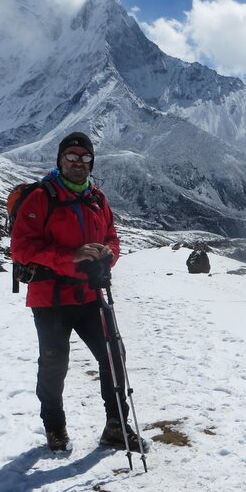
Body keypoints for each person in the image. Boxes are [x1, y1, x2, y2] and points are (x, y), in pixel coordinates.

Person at [10, 131, 147, 453]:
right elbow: (22, 248)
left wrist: (106, 257)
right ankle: (55, 428)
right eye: (71, 157)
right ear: (60, 160)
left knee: (113, 354)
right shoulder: (42, 197)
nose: (78, 163)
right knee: (54, 362)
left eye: (84, 158)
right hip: (50, 297)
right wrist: (71, 258)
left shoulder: (97, 198)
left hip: (89, 292)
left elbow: (112, 236)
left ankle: (116, 426)